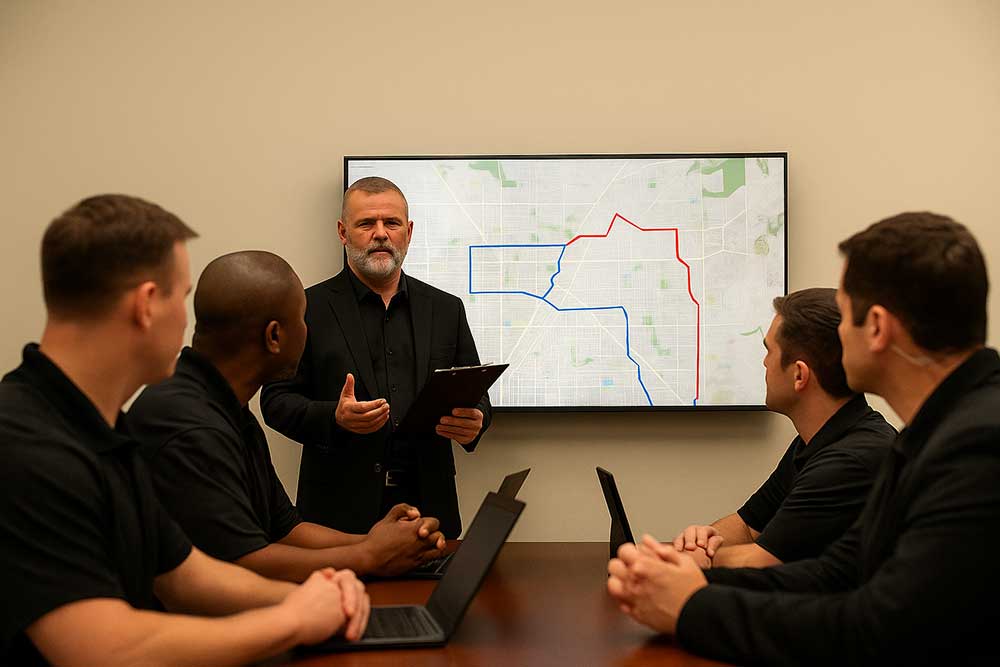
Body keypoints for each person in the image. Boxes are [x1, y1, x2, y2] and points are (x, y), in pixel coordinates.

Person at [607, 212, 1000, 666]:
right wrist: (684, 585)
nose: (837, 335)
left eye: (845, 315)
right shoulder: (932, 434)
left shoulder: (977, 447)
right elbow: (837, 574)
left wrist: (692, 607)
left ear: (875, 326)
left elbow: (876, 629)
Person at [0, 195, 368, 667]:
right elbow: (104, 649)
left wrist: (319, 596)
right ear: (147, 305)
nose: (192, 322)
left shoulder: (98, 430)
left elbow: (183, 575)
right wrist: (293, 620)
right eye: (183, 295)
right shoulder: (28, 447)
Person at [127, 251, 447, 582]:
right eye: (303, 319)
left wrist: (383, 541)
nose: (308, 331)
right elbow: (241, 563)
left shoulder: (227, 406)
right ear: (275, 336)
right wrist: (369, 555)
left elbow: (286, 529)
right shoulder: (186, 423)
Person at [261, 176, 492, 538]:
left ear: (409, 231)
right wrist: (333, 417)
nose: (380, 234)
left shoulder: (446, 309)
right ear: (343, 232)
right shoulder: (306, 308)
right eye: (367, 223)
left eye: (392, 223)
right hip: (336, 520)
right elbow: (274, 401)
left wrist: (477, 421)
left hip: (430, 513)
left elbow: (477, 395)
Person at [673, 288, 895, 568]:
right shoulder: (813, 442)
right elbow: (746, 526)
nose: (764, 363)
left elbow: (764, 561)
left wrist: (703, 558)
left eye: (769, 351)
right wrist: (704, 542)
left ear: (799, 374)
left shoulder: (852, 460)